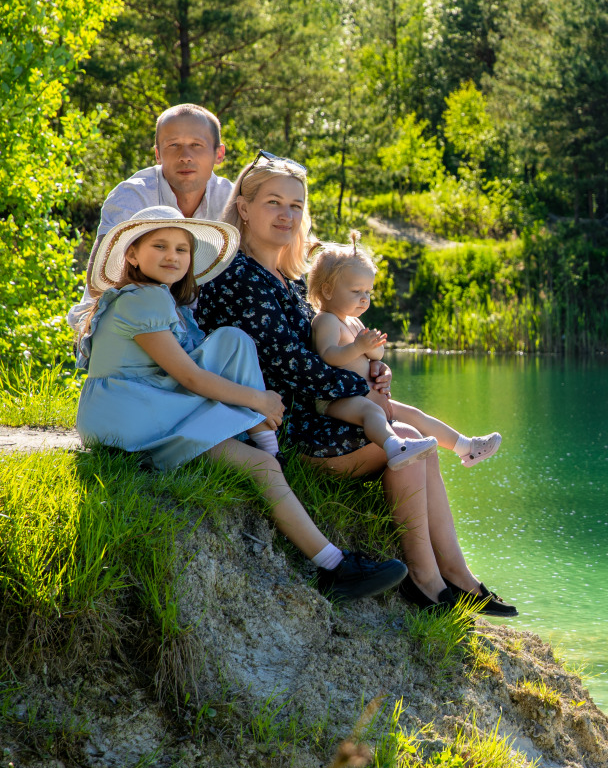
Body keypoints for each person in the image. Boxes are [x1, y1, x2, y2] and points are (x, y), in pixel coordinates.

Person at [193, 154, 518, 618]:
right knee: (409, 442)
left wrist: (373, 372)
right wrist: (360, 387)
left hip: (312, 406)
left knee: (413, 442)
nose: (287, 214)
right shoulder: (240, 276)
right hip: (275, 420)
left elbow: (321, 352)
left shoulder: (285, 278)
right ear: (243, 208)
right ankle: (430, 584)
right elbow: (291, 366)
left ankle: (456, 579)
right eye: (273, 203)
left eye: (296, 205)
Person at [73, 205, 408, 602]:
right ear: (131, 255)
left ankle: (267, 443)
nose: (172, 256)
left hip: (149, 401)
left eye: (182, 250)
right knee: (260, 468)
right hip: (129, 416)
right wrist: (260, 398)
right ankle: (334, 565)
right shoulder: (142, 301)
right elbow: (191, 378)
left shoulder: (160, 299)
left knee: (234, 339)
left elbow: (199, 365)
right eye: (159, 246)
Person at [307, 232, 503, 470]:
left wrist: (376, 358)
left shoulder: (353, 322)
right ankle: (394, 446)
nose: (364, 299)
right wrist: (359, 347)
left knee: (415, 415)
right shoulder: (326, 320)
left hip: (366, 396)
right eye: (356, 291)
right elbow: (327, 355)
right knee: (371, 412)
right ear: (327, 291)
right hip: (336, 401)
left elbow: (371, 357)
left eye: (368, 292)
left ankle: (467, 447)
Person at [66, 104, 236, 331]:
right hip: (126, 322)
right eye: (173, 145)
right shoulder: (132, 196)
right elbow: (101, 283)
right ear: (158, 154)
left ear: (219, 154)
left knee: (236, 339)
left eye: (197, 145)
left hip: (195, 326)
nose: (185, 156)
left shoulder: (231, 200)